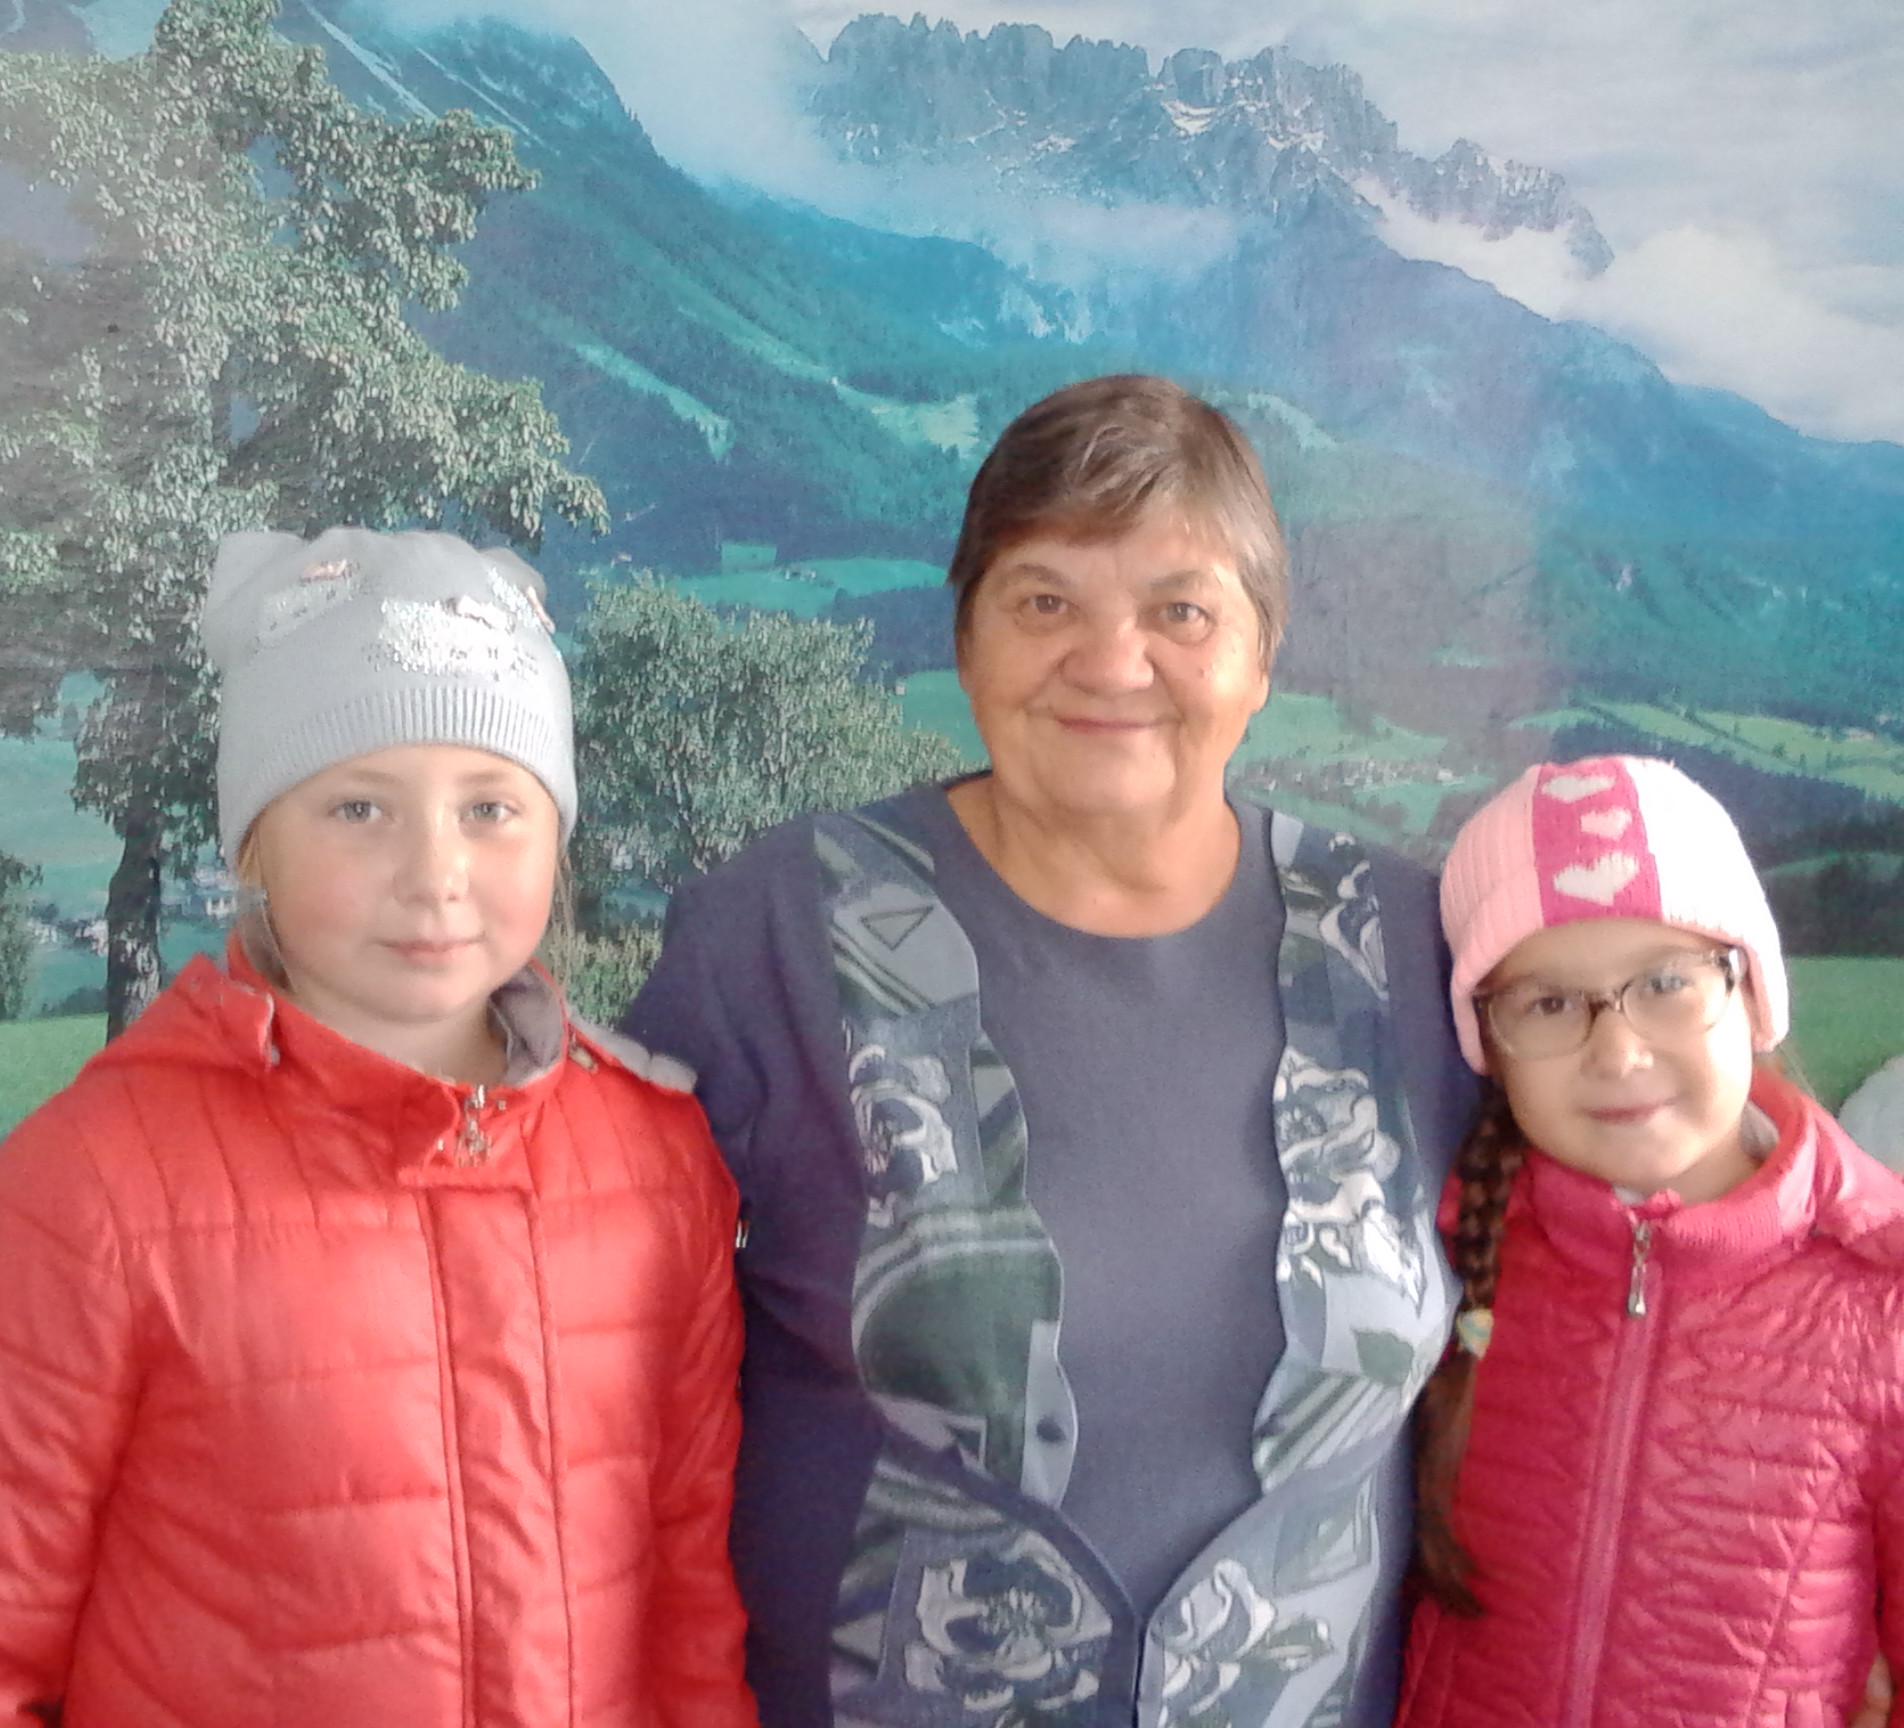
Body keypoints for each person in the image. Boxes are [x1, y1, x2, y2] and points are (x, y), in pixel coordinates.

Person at [624, 375, 1474, 1728]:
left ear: (1262, 657)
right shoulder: (773, 931)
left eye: (1181, 612)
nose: (1110, 661)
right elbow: (581, 1339)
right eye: (1043, 601)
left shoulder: (1416, 952)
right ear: (964, 638)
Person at [0, 529, 753, 1727]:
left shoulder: (655, 1162)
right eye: (358, 808)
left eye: (490, 808)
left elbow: (690, 1598)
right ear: (254, 841)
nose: (435, 873)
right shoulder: (94, 1188)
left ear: (556, 836)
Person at [1396, 754, 1904, 1728]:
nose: (1618, 1050)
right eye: (1548, 1003)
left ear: (1751, 995)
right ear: (1489, 1046)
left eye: (1666, 982)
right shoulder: (1438, 1249)